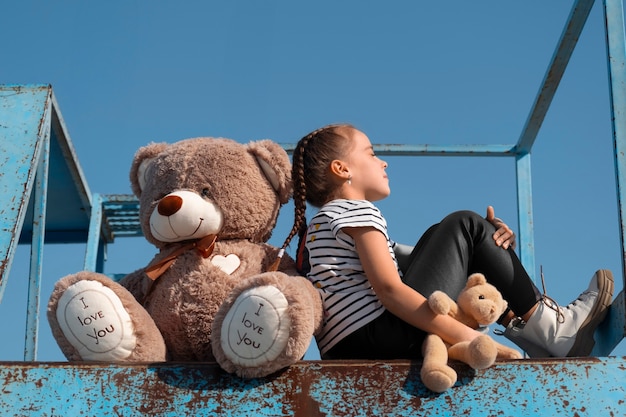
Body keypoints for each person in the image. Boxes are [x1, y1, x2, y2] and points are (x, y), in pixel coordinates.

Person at [278, 123, 614, 360]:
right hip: (380, 336)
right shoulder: (357, 212)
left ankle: (531, 329)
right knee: (464, 224)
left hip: (348, 346)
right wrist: (466, 334)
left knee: (447, 233)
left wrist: (484, 249)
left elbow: (419, 260)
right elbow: (391, 291)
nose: (383, 160)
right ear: (342, 169)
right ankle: (554, 330)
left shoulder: (322, 225)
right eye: (370, 152)